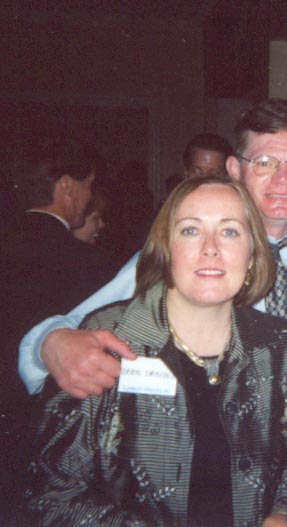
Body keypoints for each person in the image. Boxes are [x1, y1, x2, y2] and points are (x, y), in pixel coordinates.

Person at [26, 175, 287, 526]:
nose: (210, 247)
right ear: (166, 249)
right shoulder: (107, 340)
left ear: (252, 255)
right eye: (191, 230)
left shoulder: (282, 345)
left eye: (229, 232)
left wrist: (285, 515)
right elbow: (53, 497)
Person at [18, 99, 287, 399]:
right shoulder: (185, 258)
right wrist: (49, 343)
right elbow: (74, 326)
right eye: (265, 163)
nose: (283, 179)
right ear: (234, 168)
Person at [0, 134, 114, 523]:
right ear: (67, 185)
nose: (89, 195)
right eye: (89, 184)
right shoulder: (90, 265)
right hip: (40, 435)